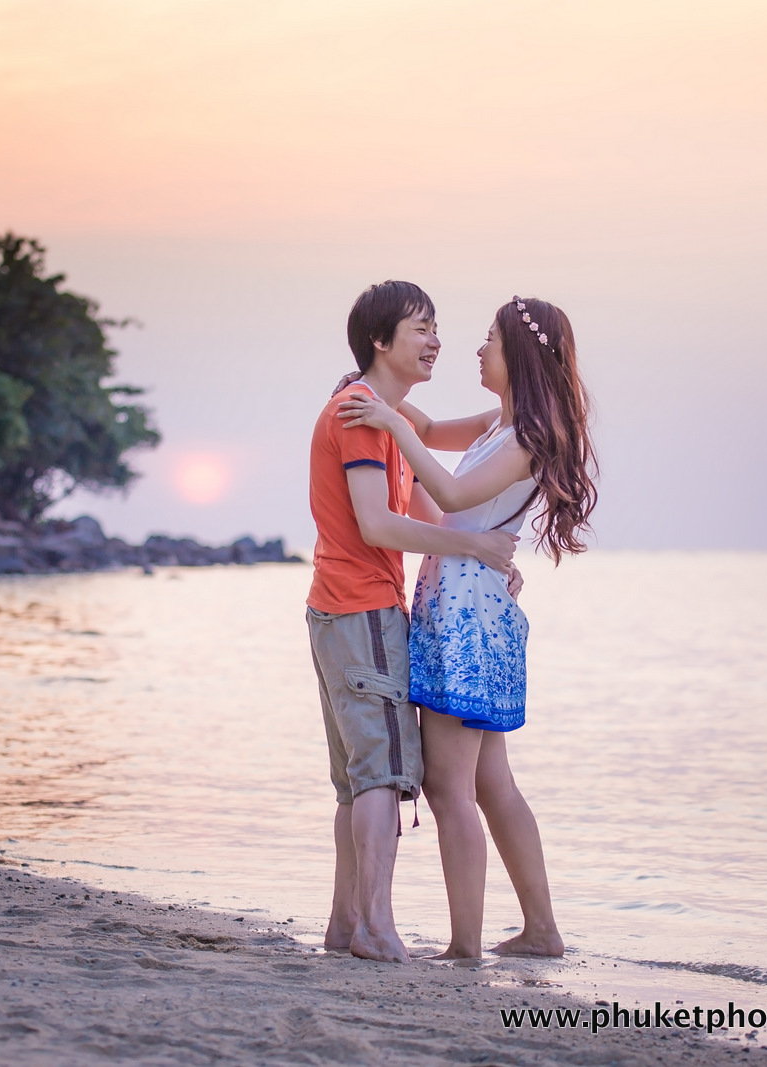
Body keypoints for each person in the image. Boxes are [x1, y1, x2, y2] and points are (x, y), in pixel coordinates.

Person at [338, 295, 597, 959]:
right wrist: (369, 391)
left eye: (490, 341)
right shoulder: (495, 422)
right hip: (468, 598)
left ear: (522, 358)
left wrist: (391, 426)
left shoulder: (528, 440)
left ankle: (466, 946)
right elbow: (421, 421)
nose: (477, 352)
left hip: (466, 616)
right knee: (489, 783)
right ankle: (540, 929)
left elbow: (452, 496)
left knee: (450, 786)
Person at [308, 280, 520, 964]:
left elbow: (435, 483)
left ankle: (346, 925)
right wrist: (475, 545)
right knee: (381, 776)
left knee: (356, 778)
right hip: (361, 605)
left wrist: (487, 559)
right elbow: (376, 522)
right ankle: (373, 926)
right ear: (381, 339)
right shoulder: (364, 417)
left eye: (438, 329)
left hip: (344, 608)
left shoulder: (379, 413)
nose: (436, 341)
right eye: (421, 328)